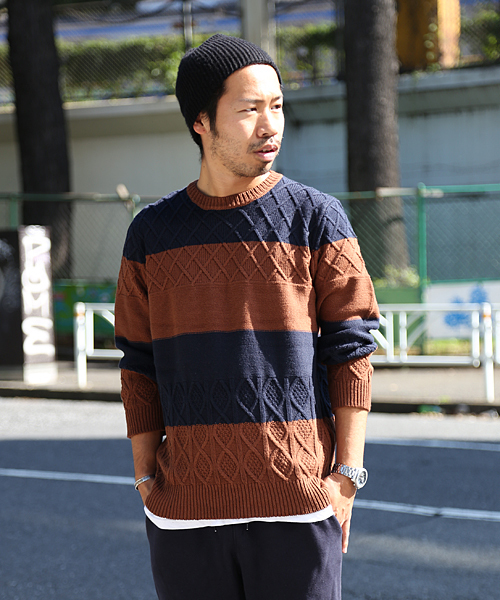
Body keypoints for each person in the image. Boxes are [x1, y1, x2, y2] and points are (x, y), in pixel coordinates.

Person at [115, 33, 379, 600]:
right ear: (201, 122)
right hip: (184, 515)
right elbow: (137, 360)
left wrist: (346, 476)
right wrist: (144, 476)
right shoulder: (152, 233)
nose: (270, 125)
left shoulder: (317, 216)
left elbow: (352, 347)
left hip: (298, 506)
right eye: (249, 109)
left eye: (277, 106)